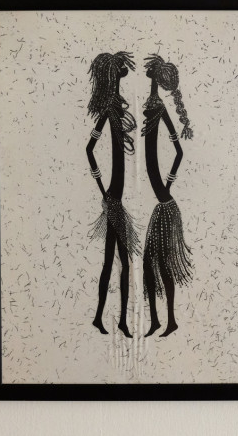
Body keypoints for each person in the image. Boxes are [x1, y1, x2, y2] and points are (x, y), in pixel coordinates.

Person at [86, 52, 139, 337]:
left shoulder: (115, 107)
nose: (123, 70)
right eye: (119, 67)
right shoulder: (109, 109)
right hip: (114, 200)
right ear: (112, 73)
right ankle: (120, 322)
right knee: (122, 263)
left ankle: (104, 318)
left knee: (112, 261)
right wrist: (102, 189)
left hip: (115, 199)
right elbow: (89, 149)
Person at [140, 54, 193, 337]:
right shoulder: (153, 104)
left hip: (165, 204)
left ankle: (169, 320)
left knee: (161, 264)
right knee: (150, 265)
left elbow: (179, 152)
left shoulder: (157, 107)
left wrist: (167, 186)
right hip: (161, 204)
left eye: (151, 70)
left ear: (156, 76)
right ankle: (157, 321)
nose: (147, 71)